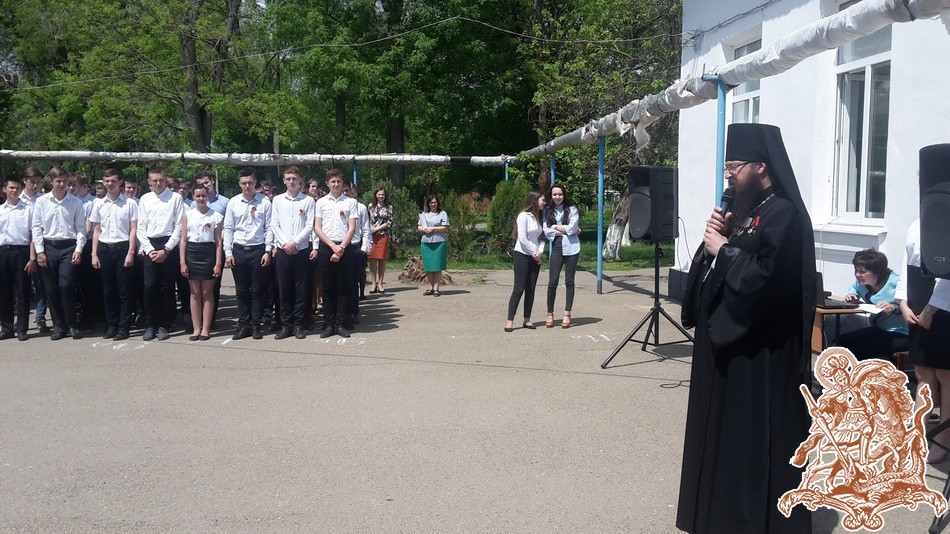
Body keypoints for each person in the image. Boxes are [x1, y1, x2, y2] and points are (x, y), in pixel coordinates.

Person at [677, 123, 816, 534]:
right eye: (726, 169)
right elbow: (722, 264)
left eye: (734, 168)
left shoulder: (784, 215)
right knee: (726, 439)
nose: (729, 177)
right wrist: (713, 246)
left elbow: (769, 282)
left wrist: (724, 251)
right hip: (732, 350)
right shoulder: (747, 213)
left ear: (761, 166)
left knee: (757, 443)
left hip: (762, 359)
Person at [31, 167, 87, 340]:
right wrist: (40, 251)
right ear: (51, 181)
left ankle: (72, 324)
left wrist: (78, 249)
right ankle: (58, 326)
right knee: (51, 288)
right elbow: (36, 227)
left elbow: (80, 228)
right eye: (58, 181)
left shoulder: (75, 202)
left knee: (66, 285)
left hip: (68, 247)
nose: (62, 184)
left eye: (64, 181)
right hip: (48, 247)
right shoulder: (42, 202)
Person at [89, 169, 138, 341]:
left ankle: (124, 327)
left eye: (113, 181)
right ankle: (111, 324)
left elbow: (133, 229)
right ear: (103, 182)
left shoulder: (130, 204)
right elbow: (96, 229)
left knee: (124, 290)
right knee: (108, 290)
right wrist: (94, 254)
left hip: (122, 248)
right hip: (104, 249)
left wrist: (131, 252)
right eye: (107, 181)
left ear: (120, 182)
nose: (110, 184)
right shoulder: (98, 204)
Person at [224, 168, 273, 341]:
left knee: (257, 290)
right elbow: (228, 228)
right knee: (242, 290)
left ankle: (255, 325)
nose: (247, 186)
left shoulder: (264, 202)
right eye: (244, 183)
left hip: (258, 250)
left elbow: (269, 227)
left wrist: (268, 250)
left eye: (250, 183)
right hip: (238, 250)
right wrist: (228, 252)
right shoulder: (233, 202)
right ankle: (243, 324)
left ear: (255, 182)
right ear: (239, 184)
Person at [138, 167, 185, 341]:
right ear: (149, 182)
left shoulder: (175, 198)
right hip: (150, 245)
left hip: (168, 245)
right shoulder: (145, 199)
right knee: (150, 286)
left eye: (161, 180)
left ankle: (165, 324)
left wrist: (166, 250)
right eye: (155, 181)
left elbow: (179, 226)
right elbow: (141, 227)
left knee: (167, 286)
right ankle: (151, 324)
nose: (158, 183)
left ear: (165, 180)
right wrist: (149, 250)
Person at [835, 249, 908, 360]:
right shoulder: (862, 283)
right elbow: (854, 288)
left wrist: (894, 308)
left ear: (877, 272)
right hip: (879, 329)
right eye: (856, 270)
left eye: (862, 272)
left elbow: (914, 309)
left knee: (857, 349)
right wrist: (851, 294)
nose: (858, 275)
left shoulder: (897, 284)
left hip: (900, 333)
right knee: (839, 343)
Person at [270, 165, 315, 340]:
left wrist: (295, 242)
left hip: (301, 250)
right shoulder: (278, 200)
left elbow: (309, 225)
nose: (291, 182)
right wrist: (285, 244)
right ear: (284, 181)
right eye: (288, 179)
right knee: (284, 289)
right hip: (283, 251)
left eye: (294, 179)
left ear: (300, 180)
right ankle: (286, 325)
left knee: (301, 289)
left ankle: (299, 324)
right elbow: (274, 224)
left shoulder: (308, 201)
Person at [313, 168, 357, 338]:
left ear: (342, 183)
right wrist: (332, 246)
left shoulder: (350, 202)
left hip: (345, 247)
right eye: (333, 182)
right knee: (327, 287)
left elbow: (352, 228)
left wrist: (341, 248)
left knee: (343, 287)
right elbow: (317, 228)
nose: (336, 184)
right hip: (327, 246)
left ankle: (340, 323)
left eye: (339, 181)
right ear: (327, 183)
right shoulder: (321, 202)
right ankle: (328, 324)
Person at [180, 184, 223, 341]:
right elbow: (183, 240)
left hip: (208, 253)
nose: (201, 198)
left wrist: (218, 263)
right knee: (194, 293)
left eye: (203, 195)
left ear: (208, 196)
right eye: (198, 196)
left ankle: (206, 328)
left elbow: (218, 241)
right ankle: (196, 328)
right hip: (192, 253)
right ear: (193, 197)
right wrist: (182, 262)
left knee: (207, 293)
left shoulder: (216, 216)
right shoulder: (187, 215)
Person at [0, 178, 36, 341]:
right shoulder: (1, 210)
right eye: (11, 188)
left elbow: (33, 235)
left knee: (23, 291)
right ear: (5, 190)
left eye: (17, 188)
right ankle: (7, 328)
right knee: (4, 291)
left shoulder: (28, 209)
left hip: (21, 252)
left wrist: (32, 258)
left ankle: (22, 328)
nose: (14, 191)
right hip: (3, 252)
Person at [505, 191, 545, 333]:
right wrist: (534, 253)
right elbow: (522, 238)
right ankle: (510, 320)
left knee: (531, 288)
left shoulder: (540, 216)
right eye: (542, 200)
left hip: (535, 256)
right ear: (535, 201)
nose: (544, 203)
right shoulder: (523, 216)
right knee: (519, 288)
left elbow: (542, 237)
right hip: (522, 255)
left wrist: (540, 252)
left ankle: (527, 319)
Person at [543, 184, 580, 329]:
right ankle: (550, 312)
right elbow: (546, 231)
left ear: (564, 195)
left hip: (572, 248)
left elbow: (573, 228)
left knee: (569, 281)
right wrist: (564, 230)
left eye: (560, 194)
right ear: (551, 196)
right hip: (557, 247)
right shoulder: (547, 211)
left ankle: (567, 313)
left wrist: (554, 227)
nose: (557, 197)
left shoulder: (572, 209)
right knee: (552, 282)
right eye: (554, 194)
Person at [20, 167, 49, 333]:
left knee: (40, 284)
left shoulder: (43, 200)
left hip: (38, 246)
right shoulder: (17, 199)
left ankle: (40, 317)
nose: (35, 185)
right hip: (20, 245)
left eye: (38, 182)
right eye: (32, 182)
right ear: (25, 181)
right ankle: (21, 320)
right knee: (21, 286)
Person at [345, 182, 371, 326]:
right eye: (345, 191)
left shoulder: (361, 208)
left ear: (354, 192)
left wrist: (364, 247)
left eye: (349, 191)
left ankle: (353, 312)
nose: (347, 193)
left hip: (355, 247)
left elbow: (366, 228)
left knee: (353, 282)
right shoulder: (337, 205)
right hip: (338, 246)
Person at [418, 195, 449, 296]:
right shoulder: (424, 214)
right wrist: (423, 229)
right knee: (429, 266)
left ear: (437, 203)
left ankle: (436, 289)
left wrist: (433, 229)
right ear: (428, 204)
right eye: (431, 202)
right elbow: (419, 227)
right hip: (426, 243)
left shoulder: (442, 213)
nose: (433, 204)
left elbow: (445, 228)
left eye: (435, 202)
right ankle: (430, 288)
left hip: (439, 242)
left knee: (437, 266)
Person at [368, 187, 393, 293]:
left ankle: (380, 283)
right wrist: (370, 229)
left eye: (382, 194)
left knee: (381, 260)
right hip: (372, 236)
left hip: (383, 235)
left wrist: (377, 228)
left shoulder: (389, 207)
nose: (381, 196)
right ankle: (373, 283)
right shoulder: (371, 206)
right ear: (375, 195)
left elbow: (389, 222)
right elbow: (367, 219)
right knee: (372, 260)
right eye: (379, 194)